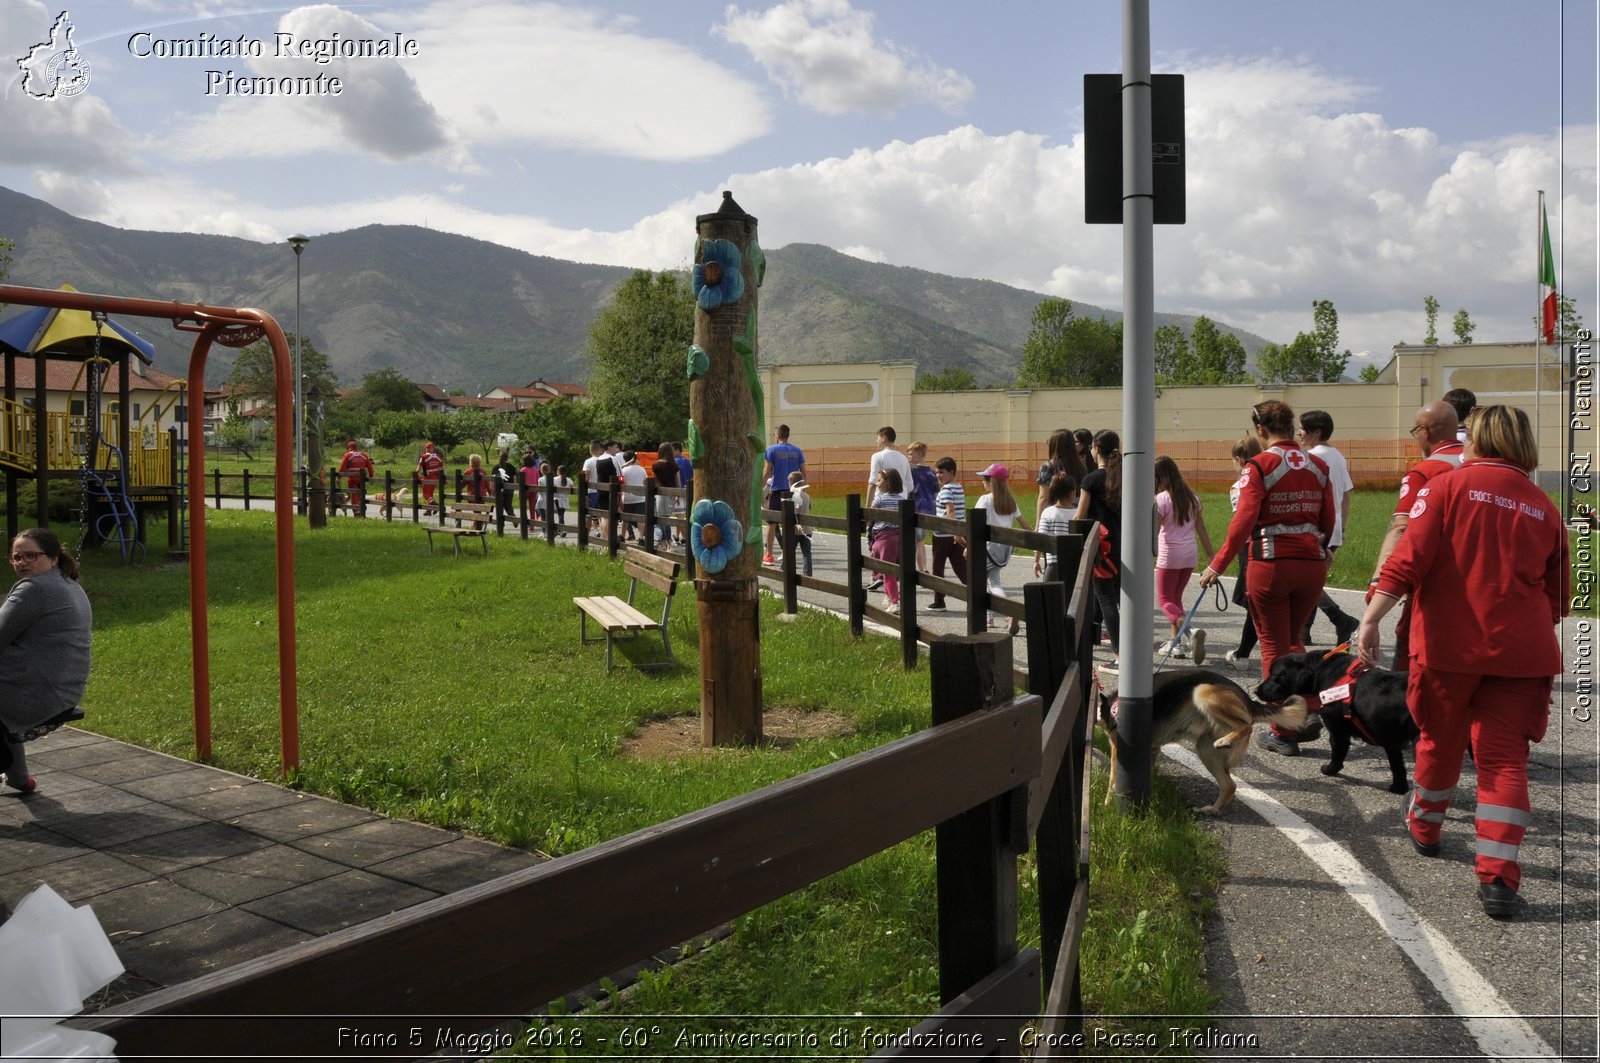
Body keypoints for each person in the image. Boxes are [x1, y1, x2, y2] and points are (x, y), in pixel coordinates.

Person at [1356, 405, 1568, 919]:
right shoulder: (1545, 506)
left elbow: (1409, 558)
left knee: (1439, 738)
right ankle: (1498, 879)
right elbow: (1558, 600)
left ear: (1477, 439)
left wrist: (1370, 618)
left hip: (1451, 648)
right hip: (1523, 653)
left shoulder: (1446, 488)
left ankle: (1426, 827)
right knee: (1503, 761)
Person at [1198, 400, 1335, 755]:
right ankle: (1308, 707)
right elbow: (1328, 517)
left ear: (1261, 430)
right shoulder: (1318, 463)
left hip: (1271, 563)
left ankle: (1284, 730)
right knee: (1295, 640)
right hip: (1312, 562)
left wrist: (1217, 565)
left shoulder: (1258, 465)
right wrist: (1322, 546)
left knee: (1273, 646)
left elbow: (1242, 522)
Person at [1365, 400, 1464, 668]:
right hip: (1485, 582)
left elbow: (1402, 528)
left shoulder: (1426, 471)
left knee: (1410, 648)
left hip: (1434, 580)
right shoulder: (1481, 462)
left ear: (1425, 432)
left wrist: (1378, 581)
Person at [0, 530, 92, 794]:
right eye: (16, 557)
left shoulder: (34, 589)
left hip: (32, 692)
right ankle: (19, 779)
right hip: (59, 689)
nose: (22, 562)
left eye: (31, 555)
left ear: (53, 558)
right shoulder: (67, 583)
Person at [1297, 410, 1361, 647]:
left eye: (1302, 428)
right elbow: (1345, 496)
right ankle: (1304, 632)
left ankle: (1340, 618)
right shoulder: (1338, 456)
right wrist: (1341, 529)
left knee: (1306, 582)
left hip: (1315, 529)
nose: (1299, 433)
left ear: (1317, 432)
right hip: (1332, 530)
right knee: (1312, 580)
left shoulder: (1310, 458)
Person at [1153, 455, 1215, 662]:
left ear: (1160, 477)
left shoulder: (1161, 499)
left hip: (1169, 554)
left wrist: (1148, 550)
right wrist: (1211, 556)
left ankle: (1190, 631)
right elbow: (1202, 528)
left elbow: (1155, 529)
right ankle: (1175, 643)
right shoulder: (1193, 497)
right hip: (1189, 554)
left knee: (1164, 600)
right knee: (1175, 599)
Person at [1073, 430, 1123, 657]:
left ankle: (1121, 653)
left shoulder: (1091, 479)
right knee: (1117, 597)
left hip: (1102, 545)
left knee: (1105, 598)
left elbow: (1080, 516)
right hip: (1124, 543)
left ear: (1095, 449)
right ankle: (1093, 638)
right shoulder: (1124, 477)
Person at [1221, 436, 1264, 671]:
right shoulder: (1268, 474)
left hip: (1250, 545)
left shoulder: (1240, 486)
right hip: (1268, 542)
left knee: (1251, 601)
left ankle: (1244, 652)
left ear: (1238, 459)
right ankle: (1244, 650)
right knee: (1252, 601)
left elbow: (1242, 520)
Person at [975, 463, 1030, 635]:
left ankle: (1005, 613)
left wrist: (969, 546)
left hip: (988, 546)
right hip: (1005, 547)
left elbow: (975, 525)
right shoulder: (1010, 501)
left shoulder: (984, 500)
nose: (983, 482)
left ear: (992, 481)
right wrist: (1037, 539)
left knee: (987, 582)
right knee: (993, 580)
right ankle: (990, 617)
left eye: (986, 479)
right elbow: (1024, 524)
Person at [866, 427, 912, 590]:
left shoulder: (877, 456)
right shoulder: (903, 458)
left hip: (882, 503)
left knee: (875, 537)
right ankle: (890, 574)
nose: (876, 441)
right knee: (896, 538)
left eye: (878, 438)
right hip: (902, 503)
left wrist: (867, 511)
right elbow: (910, 485)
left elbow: (872, 483)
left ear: (884, 438)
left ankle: (879, 574)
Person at [762, 425, 807, 563]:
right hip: (793, 490)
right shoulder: (797, 451)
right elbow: (803, 471)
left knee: (772, 522)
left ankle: (769, 555)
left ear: (777, 435)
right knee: (791, 522)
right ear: (788, 435)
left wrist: (761, 486)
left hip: (777, 490)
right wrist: (802, 489)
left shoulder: (771, 450)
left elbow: (767, 471)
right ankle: (788, 553)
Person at [929, 456, 967, 611]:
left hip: (944, 535)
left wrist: (954, 532)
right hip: (956, 535)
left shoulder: (945, 490)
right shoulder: (959, 487)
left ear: (951, 472)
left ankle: (939, 601)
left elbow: (950, 511)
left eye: (942, 472)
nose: (938, 475)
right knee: (962, 568)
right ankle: (976, 595)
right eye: (937, 472)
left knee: (937, 568)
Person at [869, 468, 908, 614]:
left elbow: (870, 515)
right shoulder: (902, 500)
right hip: (899, 537)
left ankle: (894, 602)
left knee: (887, 571)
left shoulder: (880, 498)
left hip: (884, 537)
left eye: (879, 480)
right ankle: (889, 596)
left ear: (888, 483)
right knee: (892, 569)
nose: (877, 484)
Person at [1033, 472, 1078, 582]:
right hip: (1073, 565)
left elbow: (1040, 539)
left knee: (1050, 596)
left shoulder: (1047, 512)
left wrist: (1036, 560)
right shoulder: (1077, 514)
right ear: (1072, 494)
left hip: (1053, 565)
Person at [1037, 428, 1088, 517]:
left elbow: (1044, 497)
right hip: (1076, 514)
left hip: (1055, 514)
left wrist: (1038, 524)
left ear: (1054, 444)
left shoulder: (1048, 466)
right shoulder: (1081, 466)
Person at [906, 441, 939, 573]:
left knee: (916, 540)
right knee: (920, 539)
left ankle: (919, 568)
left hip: (915, 508)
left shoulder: (911, 471)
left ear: (919, 454)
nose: (908, 457)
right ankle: (922, 567)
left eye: (910, 454)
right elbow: (936, 492)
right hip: (929, 509)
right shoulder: (932, 473)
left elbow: (909, 489)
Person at [337, 439, 375, 517]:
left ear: (349, 448)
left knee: (354, 495)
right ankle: (362, 510)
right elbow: (370, 468)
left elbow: (342, 468)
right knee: (361, 495)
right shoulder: (364, 455)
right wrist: (371, 477)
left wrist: (339, 477)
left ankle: (357, 513)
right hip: (362, 480)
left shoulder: (348, 455)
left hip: (352, 480)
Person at [787, 470, 814, 577]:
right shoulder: (807, 496)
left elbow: (790, 513)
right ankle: (807, 573)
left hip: (794, 529)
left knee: (789, 551)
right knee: (806, 553)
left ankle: (786, 569)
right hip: (807, 529)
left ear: (791, 483)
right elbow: (810, 508)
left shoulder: (791, 497)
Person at [618, 451, 647, 541]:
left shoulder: (623, 470)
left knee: (625, 519)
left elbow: (620, 482)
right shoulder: (642, 469)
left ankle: (622, 536)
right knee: (640, 519)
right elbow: (645, 482)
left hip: (628, 497)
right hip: (640, 497)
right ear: (634, 458)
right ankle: (641, 537)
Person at [651, 458, 678, 546]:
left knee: (661, 518)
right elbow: (677, 480)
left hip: (661, 492)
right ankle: (666, 541)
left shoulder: (656, 465)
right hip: (671, 492)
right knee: (665, 517)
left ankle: (665, 541)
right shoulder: (673, 465)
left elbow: (654, 477)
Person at [415, 441, 444, 511]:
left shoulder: (424, 457)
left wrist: (415, 475)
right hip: (436, 478)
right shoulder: (438, 457)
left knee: (425, 495)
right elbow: (443, 468)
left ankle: (437, 506)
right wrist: (444, 477)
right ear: (432, 448)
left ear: (426, 449)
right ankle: (429, 510)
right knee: (430, 494)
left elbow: (419, 469)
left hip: (427, 478)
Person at [492, 449, 518, 523]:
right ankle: (513, 518)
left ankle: (501, 524)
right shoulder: (511, 467)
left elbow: (493, 479)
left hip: (499, 489)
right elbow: (514, 478)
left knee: (500, 506)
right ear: (507, 458)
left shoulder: (496, 467)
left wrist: (493, 489)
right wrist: (514, 487)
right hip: (510, 489)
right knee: (508, 505)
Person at [521, 451, 542, 528]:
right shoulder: (535, 470)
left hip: (525, 491)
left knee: (523, 507)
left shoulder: (523, 470)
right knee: (532, 508)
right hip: (534, 490)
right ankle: (532, 525)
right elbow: (538, 479)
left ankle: (525, 523)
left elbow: (521, 481)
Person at [551, 464, 571, 535]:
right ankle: (561, 530)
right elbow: (572, 488)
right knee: (561, 514)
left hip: (557, 499)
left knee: (560, 515)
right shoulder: (569, 480)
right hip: (565, 499)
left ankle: (562, 530)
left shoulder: (554, 479)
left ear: (558, 471)